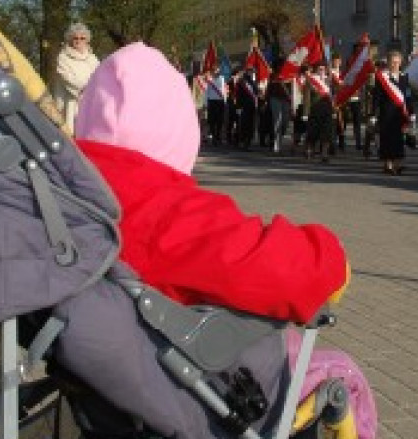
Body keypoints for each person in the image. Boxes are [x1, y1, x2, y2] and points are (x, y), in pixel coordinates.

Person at [75, 42, 349, 322]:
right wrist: (327, 255)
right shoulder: (169, 215)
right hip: (169, 355)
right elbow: (273, 268)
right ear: (177, 130)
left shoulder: (65, 194)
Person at [51, 22, 100, 135]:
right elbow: (70, 81)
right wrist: (90, 86)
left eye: (82, 38)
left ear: (87, 40)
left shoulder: (93, 58)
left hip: (89, 103)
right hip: (70, 104)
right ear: (70, 39)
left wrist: (93, 88)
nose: (79, 41)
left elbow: (99, 77)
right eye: (75, 38)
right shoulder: (63, 58)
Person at [373, 50, 412, 175]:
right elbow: (377, 97)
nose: (395, 64)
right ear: (388, 63)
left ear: (401, 62)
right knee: (387, 138)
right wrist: (373, 114)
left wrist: (412, 112)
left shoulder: (404, 76)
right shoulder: (382, 77)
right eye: (392, 62)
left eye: (397, 62)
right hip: (386, 112)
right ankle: (388, 165)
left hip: (400, 112)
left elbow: (408, 95)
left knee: (399, 139)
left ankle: (398, 164)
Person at [302, 61, 335, 162]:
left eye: (323, 69)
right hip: (315, 108)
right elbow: (307, 97)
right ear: (316, 69)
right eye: (320, 69)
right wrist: (305, 113)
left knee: (327, 132)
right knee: (313, 132)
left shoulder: (328, 80)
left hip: (327, 108)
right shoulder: (311, 79)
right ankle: (309, 151)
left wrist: (333, 110)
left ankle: (324, 154)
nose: (322, 71)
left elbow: (332, 95)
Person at [203, 68, 227, 145]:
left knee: (220, 120)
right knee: (212, 121)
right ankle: (214, 137)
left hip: (220, 101)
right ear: (212, 72)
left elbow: (223, 90)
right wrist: (206, 103)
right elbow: (207, 91)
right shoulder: (209, 79)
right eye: (214, 71)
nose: (216, 72)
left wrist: (225, 101)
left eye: (217, 71)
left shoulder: (222, 78)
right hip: (212, 101)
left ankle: (218, 137)